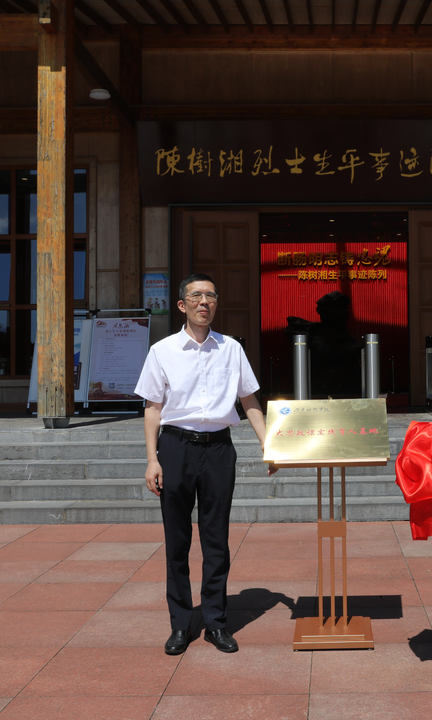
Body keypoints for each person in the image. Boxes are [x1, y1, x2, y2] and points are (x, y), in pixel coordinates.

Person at [135, 272, 274, 656]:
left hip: (218, 450)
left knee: (216, 540)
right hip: (175, 448)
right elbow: (153, 408)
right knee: (177, 541)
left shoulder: (231, 349)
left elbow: (249, 401)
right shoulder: (162, 350)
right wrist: (152, 460)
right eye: (196, 296)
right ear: (182, 305)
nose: (204, 302)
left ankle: (215, 622)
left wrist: (269, 445)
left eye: (210, 296)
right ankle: (180, 624)